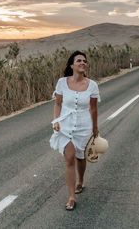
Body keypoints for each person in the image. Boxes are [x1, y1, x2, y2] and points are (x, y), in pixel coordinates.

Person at [50, 51, 100, 211]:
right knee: (69, 158)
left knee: (80, 158)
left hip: (84, 126)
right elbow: (58, 103)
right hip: (65, 124)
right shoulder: (62, 82)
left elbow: (93, 108)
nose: (82, 63)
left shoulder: (92, 85)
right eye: (79, 60)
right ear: (72, 65)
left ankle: (81, 181)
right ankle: (72, 196)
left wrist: (95, 128)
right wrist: (56, 120)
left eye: (84, 61)